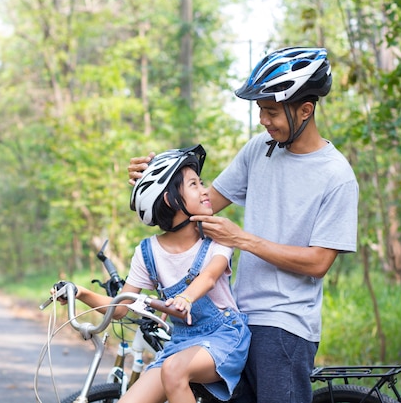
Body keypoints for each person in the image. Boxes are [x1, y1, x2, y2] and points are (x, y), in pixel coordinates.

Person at [127, 47, 359, 403]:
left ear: (305, 110)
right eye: (259, 111)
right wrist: (158, 185)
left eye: (270, 111)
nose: (263, 121)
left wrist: (244, 240)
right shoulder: (260, 149)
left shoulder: (336, 176)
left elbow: (318, 263)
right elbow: (203, 206)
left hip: (283, 325)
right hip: (234, 321)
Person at [56, 145, 250, 403]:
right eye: (194, 184)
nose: (205, 190)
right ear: (171, 199)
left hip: (224, 336)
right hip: (181, 342)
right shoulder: (148, 252)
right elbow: (122, 306)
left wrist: (187, 297)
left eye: (201, 183)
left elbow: (209, 276)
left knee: (173, 370)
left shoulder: (217, 238)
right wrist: (79, 292)